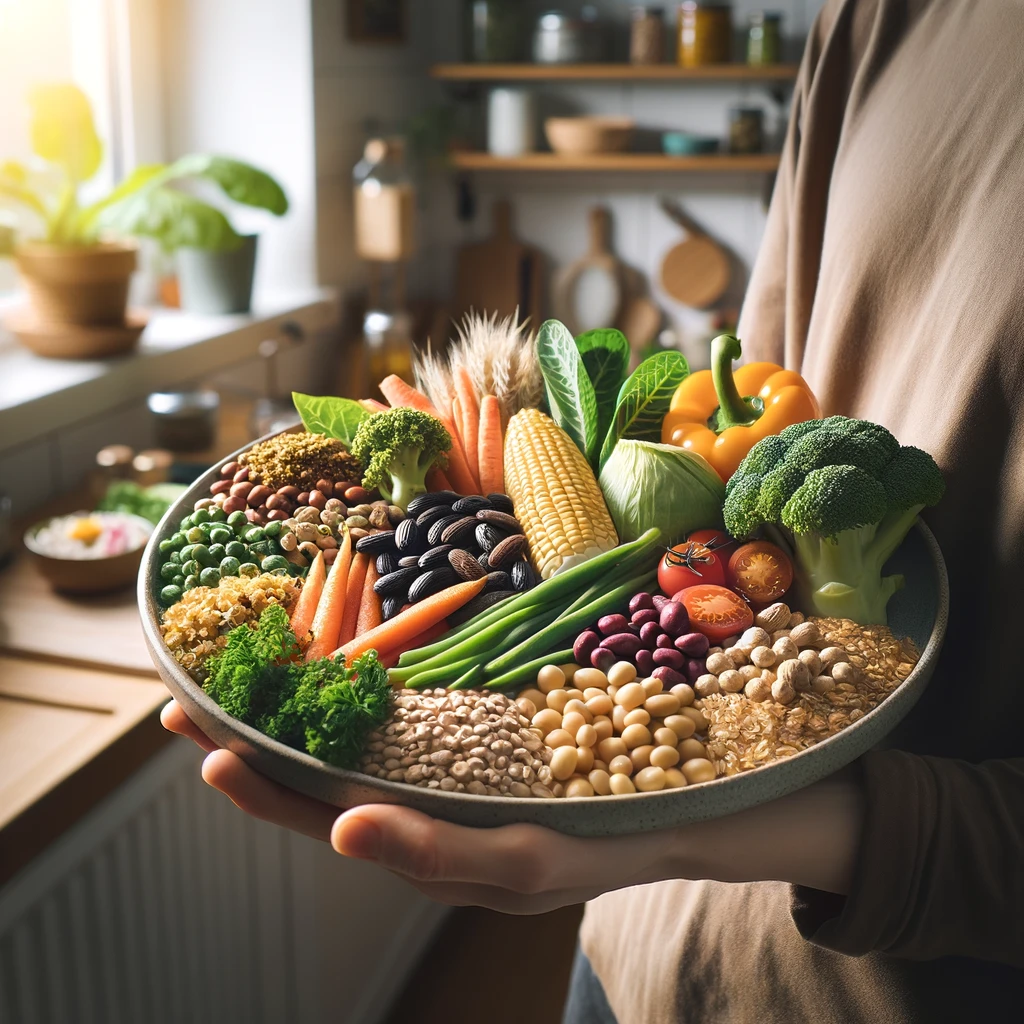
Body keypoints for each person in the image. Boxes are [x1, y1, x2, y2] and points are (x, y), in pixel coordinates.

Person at [163, 0, 1024, 1018]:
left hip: (877, 989)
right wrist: (653, 845)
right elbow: (753, 392)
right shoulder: (878, 15)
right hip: (640, 941)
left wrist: (675, 828)